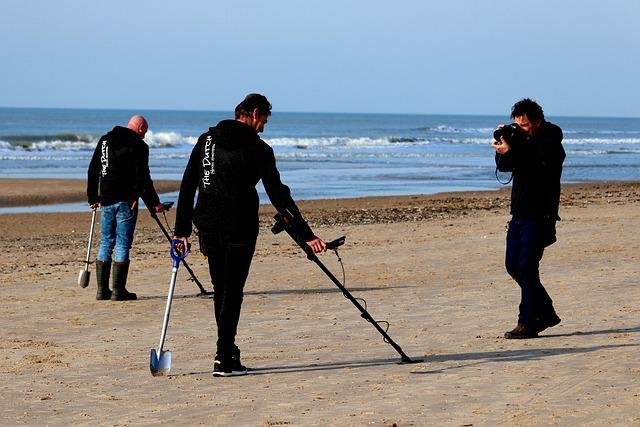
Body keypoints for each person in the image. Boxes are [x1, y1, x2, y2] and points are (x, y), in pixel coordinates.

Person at [173, 94, 326, 377]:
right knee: (232, 292)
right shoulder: (259, 149)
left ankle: (228, 351)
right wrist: (307, 234)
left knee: (222, 290)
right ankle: (223, 356)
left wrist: (181, 232)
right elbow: (278, 194)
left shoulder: (206, 141)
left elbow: (187, 186)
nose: (264, 127)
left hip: (207, 224)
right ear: (255, 113)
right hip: (239, 227)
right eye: (264, 120)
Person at [491, 98, 566, 339]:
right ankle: (547, 312)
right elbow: (504, 166)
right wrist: (504, 144)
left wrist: (515, 147)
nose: (521, 129)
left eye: (524, 126)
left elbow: (540, 164)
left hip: (540, 214)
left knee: (527, 267)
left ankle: (527, 322)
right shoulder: (521, 140)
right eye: (518, 126)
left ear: (537, 121)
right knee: (513, 266)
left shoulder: (552, 136)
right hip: (519, 213)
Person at [87, 115, 165, 301]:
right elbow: (143, 178)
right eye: (144, 131)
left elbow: (93, 168)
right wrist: (154, 204)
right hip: (126, 201)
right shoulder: (138, 145)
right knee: (122, 243)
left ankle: (102, 290)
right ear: (140, 128)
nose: (145, 135)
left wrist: (93, 197)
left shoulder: (105, 140)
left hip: (106, 198)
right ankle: (118, 290)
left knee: (106, 241)